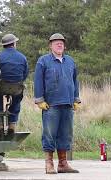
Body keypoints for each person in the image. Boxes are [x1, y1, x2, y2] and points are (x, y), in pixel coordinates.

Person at [34, 33, 81, 174]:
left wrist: (76, 99)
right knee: (49, 134)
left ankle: (63, 164)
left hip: (68, 104)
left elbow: (75, 81)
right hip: (51, 105)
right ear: (50, 46)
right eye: (56, 43)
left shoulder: (70, 61)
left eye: (61, 43)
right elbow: (38, 82)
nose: (59, 44)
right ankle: (49, 164)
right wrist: (39, 100)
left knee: (66, 134)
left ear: (64, 46)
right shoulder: (43, 61)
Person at [0, 34, 29, 138]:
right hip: (17, 88)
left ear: (4, 45)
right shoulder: (22, 57)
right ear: (14, 44)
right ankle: (12, 125)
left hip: (1, 87)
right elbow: (25, 74)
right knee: (16, 101)